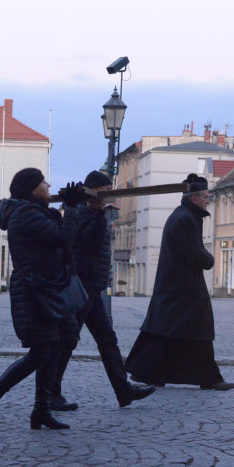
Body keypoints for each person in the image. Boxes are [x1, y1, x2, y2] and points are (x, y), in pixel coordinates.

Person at [0, 168, 86, 430]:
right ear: (33, 189)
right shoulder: (25, 213)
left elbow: (61, 233)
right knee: (40, 352)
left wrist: (70, 207)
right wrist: (70, 208)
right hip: (35, 290)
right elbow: (63, 238)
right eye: (44, 182)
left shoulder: (35, 211)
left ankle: (41, 410)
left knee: (56, 346)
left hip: (49, 288)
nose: (48, 185)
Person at [52, 170, 156, 411]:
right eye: (106, 190)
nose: (111, 195)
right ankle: (51, 393)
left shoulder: (94, 213)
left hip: (92, 289)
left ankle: (123, 390)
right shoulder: (81, 214)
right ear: (94, 191)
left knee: (107, 340)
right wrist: (99, 215)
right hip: (82, 289)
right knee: (68, 341)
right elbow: (89, 244)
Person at [125, 173, 234, 391]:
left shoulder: (183, 215)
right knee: (194, 332)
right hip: (182, 287)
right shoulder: (185, 219)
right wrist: (210, 259)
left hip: (177, 285)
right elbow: (195, 254)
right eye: (205, 197)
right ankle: (208, 378)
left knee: (168, 332)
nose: (207, 200)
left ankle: (152, 372)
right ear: (194, 198)